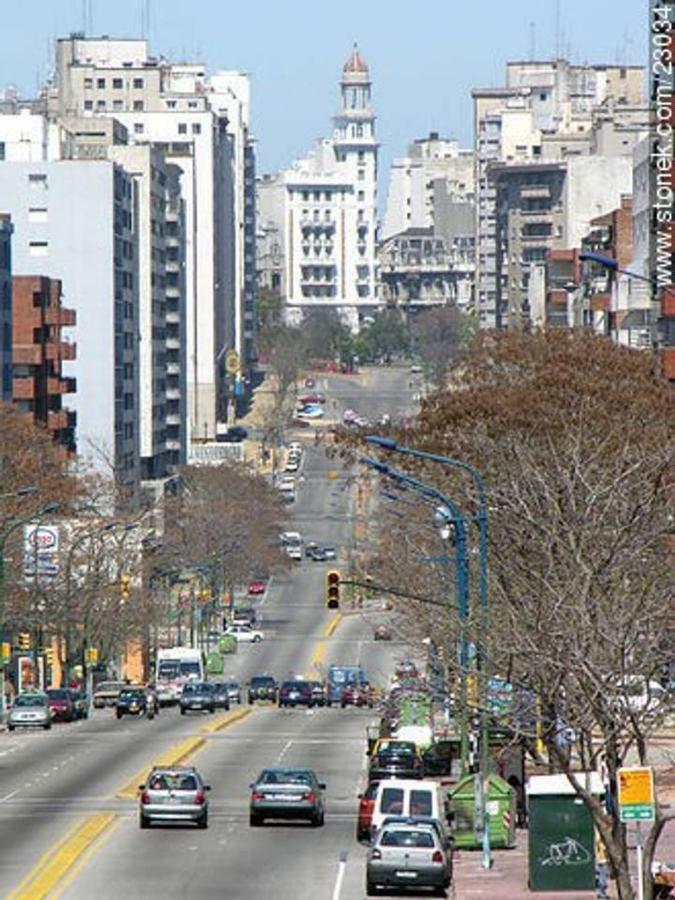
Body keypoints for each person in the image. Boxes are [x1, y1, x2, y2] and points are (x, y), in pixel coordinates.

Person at [595, 828, 610, 900]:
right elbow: (598, 842)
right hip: (601, 857)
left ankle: (601, 892)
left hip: (601, 857)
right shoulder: (599, 832)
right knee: (602, 875)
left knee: (602, 875)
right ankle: (601, 892)